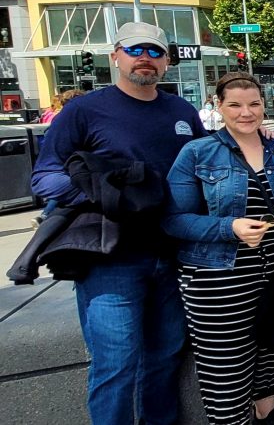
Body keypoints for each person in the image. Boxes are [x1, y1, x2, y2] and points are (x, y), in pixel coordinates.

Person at [30, 22, 206, 425]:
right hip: (112, 260)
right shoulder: (83, 111)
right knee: (116, 366)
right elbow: (45, 178)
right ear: (116, 56)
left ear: (165, 62)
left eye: (155, 51)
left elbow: (206, 161)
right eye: (135, 49)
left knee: (164, 357)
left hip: (172, 254)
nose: (145, 57)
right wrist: (108, 191)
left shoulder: (180, 110)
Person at [163, 72, 274, 424]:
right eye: (234, 104)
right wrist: (229, 228)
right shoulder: (197, 153)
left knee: (273, 352)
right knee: (226, 369)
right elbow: (173, 219)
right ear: (219, 107)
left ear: (264, 105)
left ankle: (266, 414)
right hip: (219, 281)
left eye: (253, 104)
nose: (246, 112)